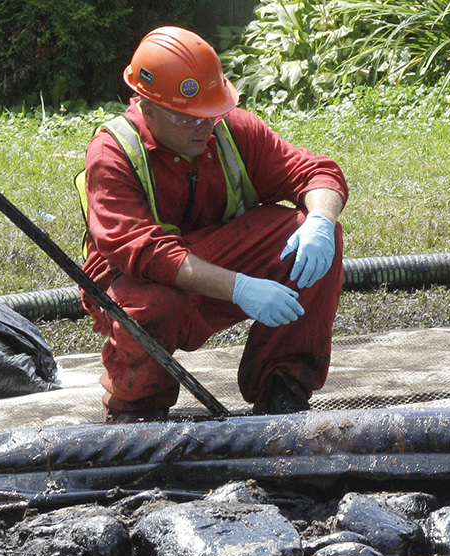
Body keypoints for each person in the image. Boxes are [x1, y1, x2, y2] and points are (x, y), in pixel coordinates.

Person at [78, 26, 347, 422]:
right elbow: (145, 253)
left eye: (210, 113)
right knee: (155, 308)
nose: (205, 128)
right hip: (136, 281)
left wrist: (321, 220)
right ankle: (138, 409)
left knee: (314, 237)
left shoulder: (230, 130)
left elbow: (315, 173)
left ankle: (282, 390)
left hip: (208, 261)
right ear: (148, 110)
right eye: (188, 119)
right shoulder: (112, 154)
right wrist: (240, 288)